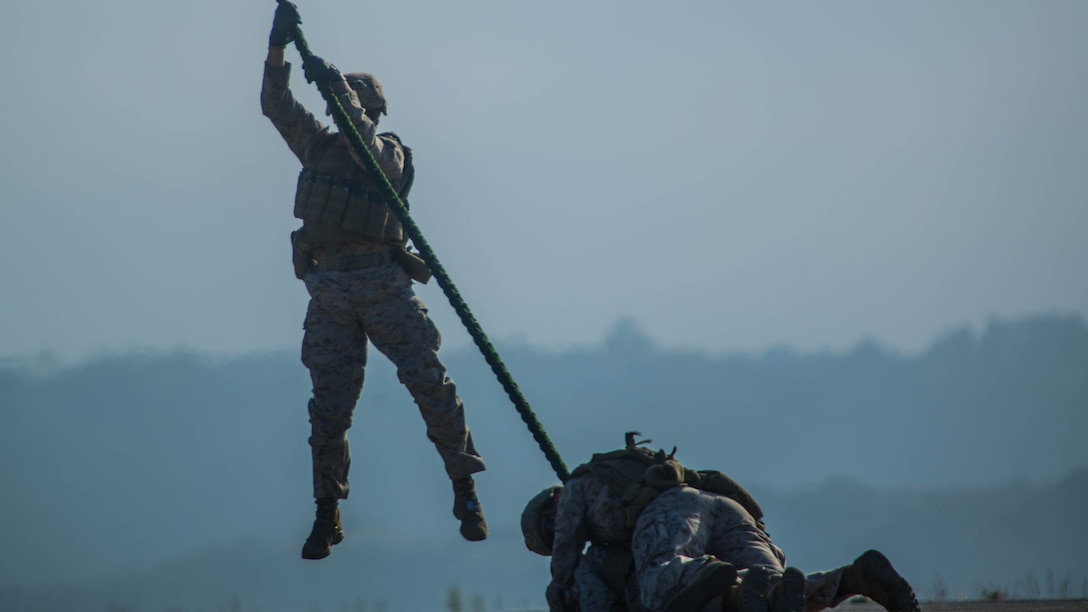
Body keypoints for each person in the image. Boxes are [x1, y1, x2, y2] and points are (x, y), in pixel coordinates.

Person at [260, 1, 487, 560]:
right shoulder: (316, 146)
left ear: (373, 110)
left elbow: (366, 147)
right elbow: (275, 105)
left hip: (384, 286)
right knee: (329, 407)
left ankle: (465, 490)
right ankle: (327, 511)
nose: (342, 116)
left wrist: (339, 89)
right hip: (330, 291)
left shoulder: (389, 153)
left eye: (354, 108)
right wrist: (277, 50)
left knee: (429, 383)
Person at [522, 434, 920, 612]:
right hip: (721, 506)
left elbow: (567, 565)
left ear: (554, 499)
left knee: (660, 583)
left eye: (547, 525)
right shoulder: (614, 508)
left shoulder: (577, 488)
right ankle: (854, 578)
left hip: (670, 514)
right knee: (777, 596)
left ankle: (721, 583)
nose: (555, 529)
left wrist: (559, 592)